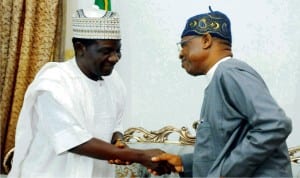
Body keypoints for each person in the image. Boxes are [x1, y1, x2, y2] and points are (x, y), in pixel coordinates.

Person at [8, 6, 171, 178]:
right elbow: (74, 141)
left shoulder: (114, 81)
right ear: (80, 48)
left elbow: (114, 124)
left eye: (118, 50)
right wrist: (140, 156)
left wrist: (118, 141)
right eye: (106, 51)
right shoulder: (53, 83)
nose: (115, 58)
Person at [151, 7, 293, 177]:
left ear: (206, 40)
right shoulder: (221, 77)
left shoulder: (229, 72)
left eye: (184, 45)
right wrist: (184, 163)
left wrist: (225, 173)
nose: (180, 53)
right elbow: (224, 147)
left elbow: (275, 124)